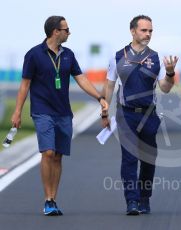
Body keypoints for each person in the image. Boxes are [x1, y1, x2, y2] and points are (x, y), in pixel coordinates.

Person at [11, 16, 109, 216]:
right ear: (55, 31)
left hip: (64, 112)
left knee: (57, 156)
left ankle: (53, 199)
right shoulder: (34, 54)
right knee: (47, 152)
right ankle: (47, 199)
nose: (69, 32)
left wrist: (99, 98)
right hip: (42, 111)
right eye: (66, 29)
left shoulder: (68, 55)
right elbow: (25, 85)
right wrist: (17, 111)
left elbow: (81, 79)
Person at [102, 15, 178, 215]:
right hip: (126, 115)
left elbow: (165, 88)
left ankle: (144, 198)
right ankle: (132, 201)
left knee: (148, 159)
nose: (148, 34)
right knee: (129, 159)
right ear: (133, 31)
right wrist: (104, 110)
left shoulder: (155, 58)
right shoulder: (118, 56)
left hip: (149, 116)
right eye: (144, 30)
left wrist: (170, 73)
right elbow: (109, 85)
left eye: (151, 30)